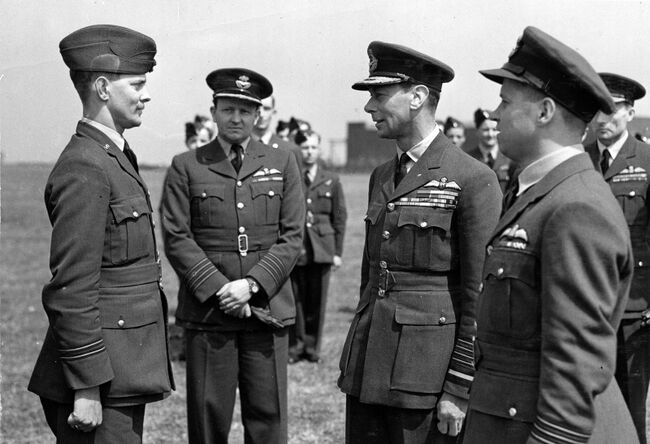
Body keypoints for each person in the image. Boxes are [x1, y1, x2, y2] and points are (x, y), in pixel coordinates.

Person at [463, 26, 638, 444]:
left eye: (505, 102)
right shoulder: (541, 190)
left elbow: (576, 367)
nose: (493, 115)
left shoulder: (575, 206)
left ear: (544, 112)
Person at [338, 40, 502, 444]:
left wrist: (460, 388)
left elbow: (479, 294)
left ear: (417, 97)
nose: (368, 107)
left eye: (379, 95)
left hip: (425, 379)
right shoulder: (381, 176)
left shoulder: (471, 178)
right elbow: (370, 279)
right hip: (367, 370)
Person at [28, 24, 173, 443]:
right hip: (99, 379)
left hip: (122, 368)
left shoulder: (113, 156)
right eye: (138, 84)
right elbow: (71, 286)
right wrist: (87, 386)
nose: (146, 94)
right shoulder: (86, 166)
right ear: (104, 88)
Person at [160, 67, 304, 444]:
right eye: (228, 109)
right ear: (213, 111)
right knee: (208, 421)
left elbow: (292, 236)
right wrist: (223, 291)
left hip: (266, 313)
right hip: (209, 315)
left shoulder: (284, 161)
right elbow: (177, 236)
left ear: (258, 114)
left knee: (268, 421)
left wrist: (252, 286)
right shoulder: (186, 165)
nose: (236, 117)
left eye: (245, 109)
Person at [584, 72, 650, 444]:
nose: (603, 119)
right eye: (597, 110)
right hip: (586, 306)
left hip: (633, 310)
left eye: (612, 109)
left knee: (629, 411)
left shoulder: (646, 160)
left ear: (630, 111)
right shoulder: (579, 160)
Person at [288, 129, 347, 364]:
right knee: (297, 300)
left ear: (319, 149)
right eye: (305, 147)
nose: (309, 152)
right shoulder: (291, 177)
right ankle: (296, 346)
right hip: (298, 249)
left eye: (313, 147)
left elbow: (339, 218)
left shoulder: (331, 179)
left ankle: (313, 348)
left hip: (323, 248)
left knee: (318, 301)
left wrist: (337, 253)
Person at [467, 108, 516, 193]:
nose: (490, 134)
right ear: (477, 131)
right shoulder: (468, 159)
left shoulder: (510, 157)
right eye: (485, 130)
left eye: (494, 130)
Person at [253, 95, 302, 165]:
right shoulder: (238, 146)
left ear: (273, 112)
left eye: (266, 109)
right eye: (257, 109)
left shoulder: (290, 151)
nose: (261, 114)